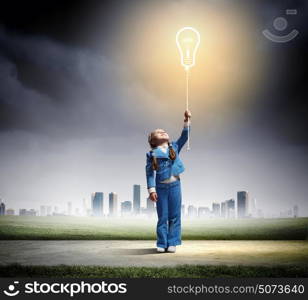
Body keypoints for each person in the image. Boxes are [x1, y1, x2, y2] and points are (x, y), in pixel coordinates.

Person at [145, 110, 191, 253]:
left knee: (175, 215)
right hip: (160, 188)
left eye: (164, 131)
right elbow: (149, 173)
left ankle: (172, 242)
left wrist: (186, 120)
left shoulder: (174, 147)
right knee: (162, 216)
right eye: (159, 132)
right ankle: (161, 242)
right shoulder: (151, 154)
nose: (163, 132)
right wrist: (151, 190)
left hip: (175, 185)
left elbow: (184, 136)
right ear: (153, 140)